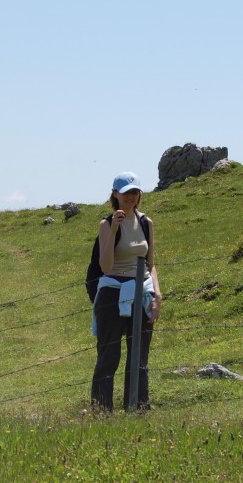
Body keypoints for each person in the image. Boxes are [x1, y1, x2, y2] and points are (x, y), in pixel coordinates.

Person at [90, 171, 162, 412]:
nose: (131, 197)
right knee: (109, 354)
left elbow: (150, 263)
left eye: (134, 192)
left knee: (139, 356)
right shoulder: (106, 224)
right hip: (112, 292)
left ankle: (139, 408)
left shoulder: (146, 223)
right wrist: (113, 231)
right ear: (115, 194)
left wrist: (157, 296)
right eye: (126, 192)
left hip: (141, 291)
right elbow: (106, 266)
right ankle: (102, 411)